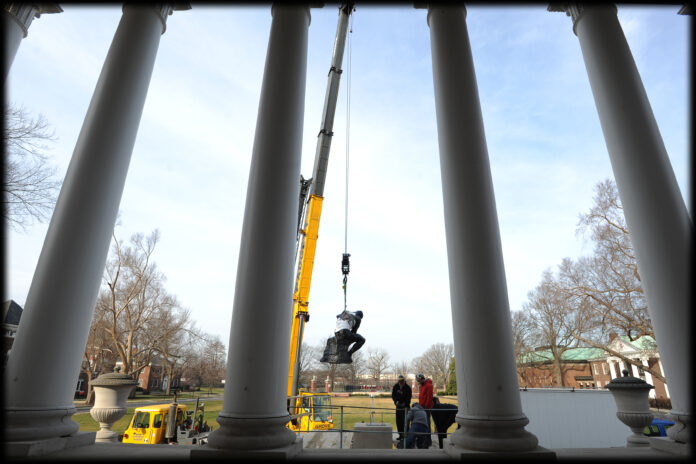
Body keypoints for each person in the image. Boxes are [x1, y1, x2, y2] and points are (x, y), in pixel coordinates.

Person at [391, 374, 412, 446]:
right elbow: (393, 395)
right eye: (399, 381)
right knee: (398, 422)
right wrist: (396, 402)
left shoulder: (408, 388)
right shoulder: (396, 386)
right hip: (398, 407)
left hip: (405, 408)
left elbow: (409, 397)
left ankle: (406, 436)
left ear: (404, 381)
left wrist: (404, 403)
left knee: (405, 422)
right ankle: (400, 435)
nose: (400, 382)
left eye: (402, 381)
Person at [416, 373, 434, 447]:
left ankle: (428, 441)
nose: (419, 382)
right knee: (423, 424)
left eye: (419, 381)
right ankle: (424, 439)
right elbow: (422, 397)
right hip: (422, 407)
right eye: (418, 381)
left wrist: (425, 407)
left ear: (422, 379)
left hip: (426, 408)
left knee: (427, 425)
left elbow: (429, 398)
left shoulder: (429, 386)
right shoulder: (421, 386)